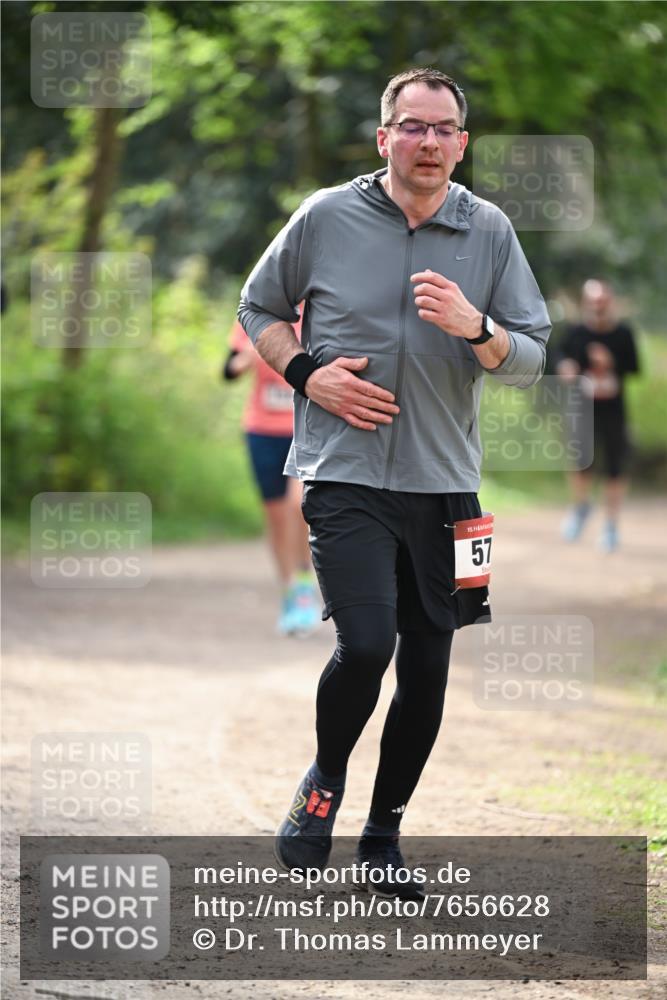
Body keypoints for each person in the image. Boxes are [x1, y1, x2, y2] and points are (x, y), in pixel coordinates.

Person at [238, 67, 551, 897]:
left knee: (428, 673)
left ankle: (382, 838)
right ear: (383, 138)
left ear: (462, 142)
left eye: (443, 128)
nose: (427, 141)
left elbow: (530, 358)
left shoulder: (488, 230)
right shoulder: (325, 216)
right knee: (367, 643)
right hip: (343, 472)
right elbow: (256, 309)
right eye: (410, 126)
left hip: (448, 485)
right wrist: (307, 374)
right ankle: (324, 782)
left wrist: (476, 328)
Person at [222, 312, 320, 635]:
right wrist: (247, 359)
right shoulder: (257, 311)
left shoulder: (320, 311)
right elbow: (228, 370)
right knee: (276, 515)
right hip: (262, 431)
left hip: (304, 427)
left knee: (298, 505)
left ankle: (305, 583)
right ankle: (290, 591)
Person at [557, 279, 639, 553]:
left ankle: (611, 525)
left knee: (615, 465)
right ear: (585, 304)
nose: (598, 307)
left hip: (614, 409)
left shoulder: (623, 333)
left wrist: (611, 362)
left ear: (610, 302)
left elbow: (635, 367)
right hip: (583, 408)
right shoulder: (576, 332)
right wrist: (565, 367)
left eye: (602, 301)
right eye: (593, 302)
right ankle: (581, 507)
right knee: (580, 461)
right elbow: (558, 357)